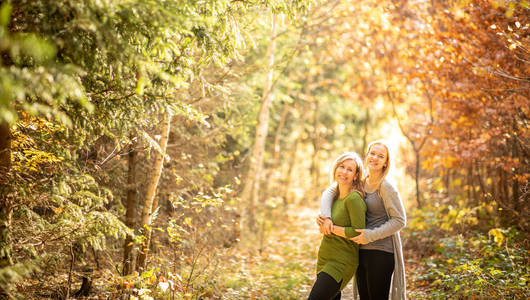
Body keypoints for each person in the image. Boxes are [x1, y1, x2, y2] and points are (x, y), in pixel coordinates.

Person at [317, 140, 407, 300]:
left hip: (381, 252)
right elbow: (330, 190)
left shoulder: (386, 187)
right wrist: (327, 216)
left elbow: (400, 220)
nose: (375, 158)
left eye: (381, 156)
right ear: (367, 156)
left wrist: (370, 235)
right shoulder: (361, 183)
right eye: (372, 153)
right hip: (361, 251)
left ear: (386, 162)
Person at [308, 152, 367, 300]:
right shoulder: (334, 197)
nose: (344, 172)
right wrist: (321, 222)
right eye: (342, 167)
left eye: (350, 169)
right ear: (336, 168)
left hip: (342, 261)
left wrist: (331, 228)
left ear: (355, 175)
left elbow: (357, 233)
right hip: (325, 257)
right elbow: (327, 224)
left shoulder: (354, 199)